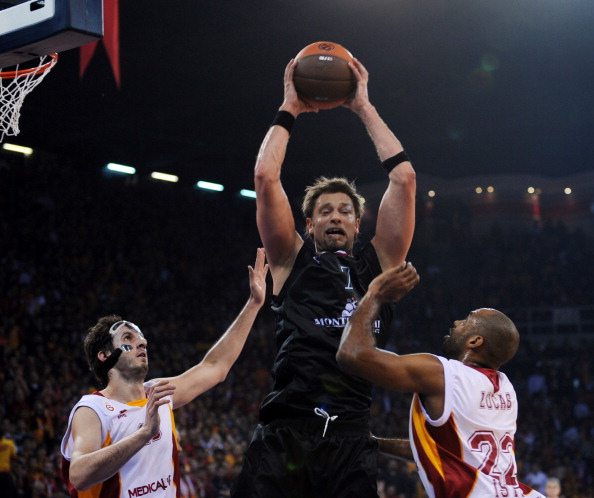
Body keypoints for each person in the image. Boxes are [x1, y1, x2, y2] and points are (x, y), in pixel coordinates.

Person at [233, 55, 416, 497]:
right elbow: (264, 175)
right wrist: (290, 108)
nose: (335, 216)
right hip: (284, 435)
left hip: (350, 440)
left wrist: (363, 107)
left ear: (357, 224)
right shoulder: (290, 259)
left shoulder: (379, 264)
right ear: (309, 224)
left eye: (345, 210)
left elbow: (405, 179)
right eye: (324, 211)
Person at [60, 249, 268, 498]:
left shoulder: (158, 393)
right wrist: (144, 434)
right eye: (128, 337)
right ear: (104, 355)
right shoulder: (92, 408)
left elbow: (215, 367)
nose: (142, 343)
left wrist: (254, 304)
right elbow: (79, 475)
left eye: (142, 338)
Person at [336, 262, 545, 498]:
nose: (457, 323)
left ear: (475, 341)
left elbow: (352, 354)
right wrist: (375, 443)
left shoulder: (445, 374)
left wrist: (375, 293)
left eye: (467, 319)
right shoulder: (505, 389)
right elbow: (446, 451)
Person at [0, 429, 18, 498]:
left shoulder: (9, 443)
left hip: (5, 474)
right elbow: (14, 456)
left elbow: (14, 456)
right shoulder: (9, 443)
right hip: (5, 474)